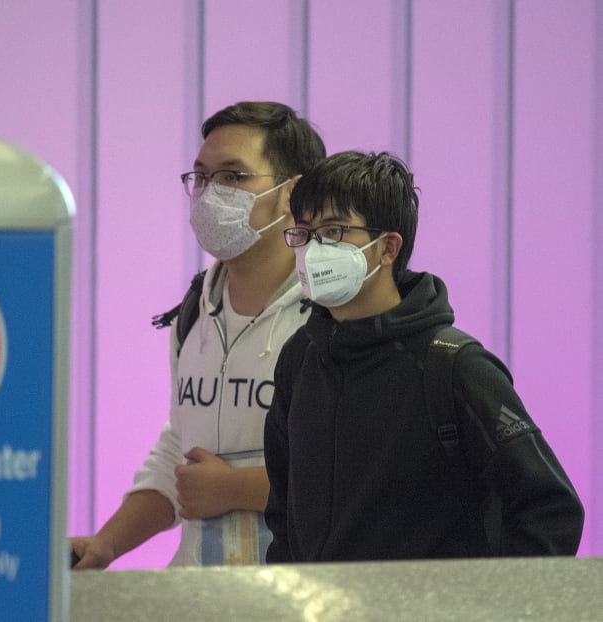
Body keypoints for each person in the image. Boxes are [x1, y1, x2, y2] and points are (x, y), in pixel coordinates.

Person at [264, 150, 585, 562]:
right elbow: (283, 511)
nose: (312, 250)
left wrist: (486, 607)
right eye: (304, 233)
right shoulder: (301, 357)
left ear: (388, 248)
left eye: (334, 231)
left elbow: (551, 509)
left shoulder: (454, 366)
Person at [70, 101, 326, 568]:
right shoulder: (194, 312)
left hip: (300, 598)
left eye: (232, 176)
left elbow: (356, 471)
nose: (210, 194)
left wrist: (233, 489)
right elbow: (180, 452)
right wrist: (107, 542)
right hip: (200, 598)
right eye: (201, 177)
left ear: (293, 193)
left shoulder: (331, 317)